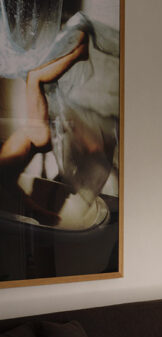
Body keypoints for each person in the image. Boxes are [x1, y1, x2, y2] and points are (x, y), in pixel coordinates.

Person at [0, 33, 88, 225]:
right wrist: (42, 214)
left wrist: (42, 213)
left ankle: (76, 52)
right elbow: (24, 202)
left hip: (35, 135)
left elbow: (22, 198)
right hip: (36, 134)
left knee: (33, 76)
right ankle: (79, 54)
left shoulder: (5, 179)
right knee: (34, 78)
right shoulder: (4, 173)